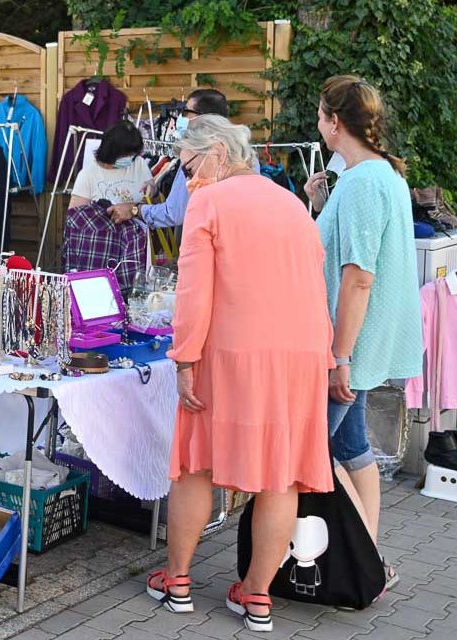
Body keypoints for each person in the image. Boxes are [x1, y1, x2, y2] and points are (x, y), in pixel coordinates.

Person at [146, 115, 335, 633]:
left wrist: (184, 358)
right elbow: (315, 285)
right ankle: (256, 597)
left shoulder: (210, 202)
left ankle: (178, 580)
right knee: (281, 476)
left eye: (186, 167)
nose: (184, 180)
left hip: (230, 353)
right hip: (299, 357)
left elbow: (193, 292)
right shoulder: (293, 204)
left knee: (194, 463)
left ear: (219, 155)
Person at [304, 75, 423, 588]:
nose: (316, 124)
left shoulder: (363, 183)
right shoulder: (379, 175)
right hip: (361, 341)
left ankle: (359, 564)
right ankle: (370, 560)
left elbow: (358, 277)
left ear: (334, 122)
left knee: (314, 456)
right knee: (352, 451)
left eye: (320, 116)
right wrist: (316, 202)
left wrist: (340, 355)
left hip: (351, 344)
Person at [109, 89, 243, 226]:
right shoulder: (244, 152)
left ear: (203, 117)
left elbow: (174, 213)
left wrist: (135, 210)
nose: (182, 117)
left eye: (186, 112)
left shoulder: (195, 153)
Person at [68, 119, 152, 209]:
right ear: (111, 152)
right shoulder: (88, 175)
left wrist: (152, 189)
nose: (130, 159)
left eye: (132, 155)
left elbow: (152, 204)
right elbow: (76, 216)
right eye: (125, 155)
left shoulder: (139, 164)